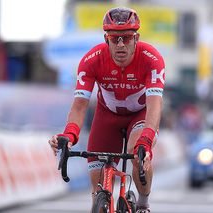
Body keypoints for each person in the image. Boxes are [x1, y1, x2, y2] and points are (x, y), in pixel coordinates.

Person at [48, 7, 165, 213]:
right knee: (97, 184)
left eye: (127, 38)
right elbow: (79, 105)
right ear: (106, 38)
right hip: (107, 116)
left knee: (135, 152)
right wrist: (69, 134)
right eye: (114, 38)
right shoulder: (91, 60)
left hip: (140, 114)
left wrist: (146, 141)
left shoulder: (151, 58)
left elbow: (155, 105)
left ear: (136, 38)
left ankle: (143, 204)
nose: (120, 44)